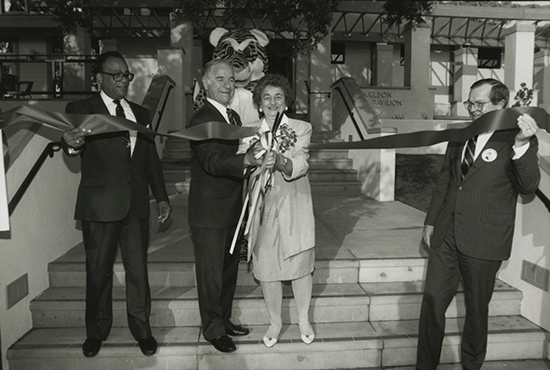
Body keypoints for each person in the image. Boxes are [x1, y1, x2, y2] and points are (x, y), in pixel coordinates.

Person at [415, 78, 541, 370]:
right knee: (432, 305)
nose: (472, 109)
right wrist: (431, 221)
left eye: (478, 104)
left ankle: (471, 365)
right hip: (446, 235)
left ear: (500, 104)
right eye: (469, 103)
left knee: (475, 312)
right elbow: (445, 182)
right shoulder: (461, 135)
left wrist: (521, 146)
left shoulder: (517, 138)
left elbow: (529, 186)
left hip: (485, 239)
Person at [60, 51, 172, 358]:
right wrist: (70, 146)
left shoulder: (141, 114)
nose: (123, 80)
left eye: (127, 75)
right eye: (116, 75)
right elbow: (71, 144)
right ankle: (96, 331)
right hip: (99, 205)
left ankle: (142, 330)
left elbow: (149, 159)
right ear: (98, 78)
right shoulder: (81, 109)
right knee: (98, 272)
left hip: (135, 205)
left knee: (138, 271)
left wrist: (161, 197)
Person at [187, 59, 264, 353]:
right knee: (210, 275)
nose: (227, 85)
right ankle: (213, 329)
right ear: (205, 83)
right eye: (220, 79)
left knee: (228, 271)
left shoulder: (232, 116)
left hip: (233, 207)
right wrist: (244, 160)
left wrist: (255, 152)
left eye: (231, 80)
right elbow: (211, 161)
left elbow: (238, 155)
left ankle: (225, 319)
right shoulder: (201, 120)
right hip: (209, 212)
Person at [239, 74, 316, 348]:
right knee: (267, 267)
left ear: (286, 103)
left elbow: (302, 163)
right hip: (263, 207)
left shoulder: (301, 127)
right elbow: (241, 166)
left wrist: (281, 161)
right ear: (259, 104)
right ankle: (275, 321)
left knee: (300, 265)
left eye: (278, 97)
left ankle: (304, 318)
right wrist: (254, 160)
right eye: (266, 98)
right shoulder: (247, 130)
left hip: (295, 203)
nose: (272, 103)